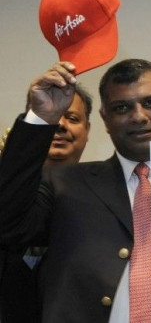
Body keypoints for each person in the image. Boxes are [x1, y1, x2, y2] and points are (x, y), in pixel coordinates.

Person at [0, 59, 151, 322]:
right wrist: (40, 119)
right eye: (122, 107)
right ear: (105, 119)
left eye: (150, 102)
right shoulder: (65, 185)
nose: (139, 116)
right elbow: (8, 223)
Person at [0, 85, 93, 323]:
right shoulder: (7, 195)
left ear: (88, 130)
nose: (61, 124)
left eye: (72, 118)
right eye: (51, 115)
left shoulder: (102, 196)